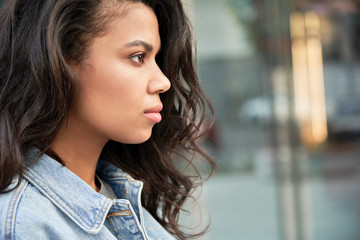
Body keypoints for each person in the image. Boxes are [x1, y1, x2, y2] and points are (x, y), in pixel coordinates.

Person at [0, 0, 215, 239]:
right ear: (60, 61)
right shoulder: (24, 225)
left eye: (156, 59)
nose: (163, 82)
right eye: (138, 57)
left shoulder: (123, 197)